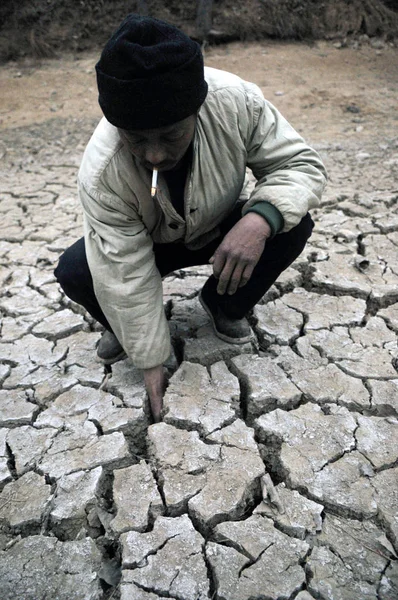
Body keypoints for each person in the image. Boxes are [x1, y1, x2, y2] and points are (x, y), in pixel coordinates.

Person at [55, 14, 327, 422]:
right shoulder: (101, 172)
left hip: (220, 224)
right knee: (77, 270)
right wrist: (150, 359)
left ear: (197, 110)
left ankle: (222, 306)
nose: (154, 155)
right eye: (136, 138)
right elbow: (123, 269)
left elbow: (298, 164)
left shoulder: (237, 101)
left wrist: (258, 219)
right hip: (151, 243)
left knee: (291, 223)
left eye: (170, 135)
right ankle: (121, 324)